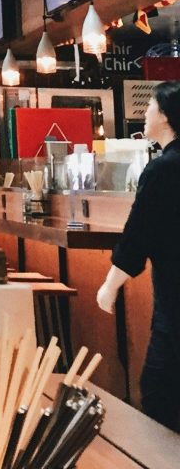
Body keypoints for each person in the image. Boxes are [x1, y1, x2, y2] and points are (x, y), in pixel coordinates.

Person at [97, 82, 180, 430]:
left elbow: (137, 238)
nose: (144, 113)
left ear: (163, 114)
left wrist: (109, 285)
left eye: (149, 107)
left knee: (159, 391)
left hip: (175, 303)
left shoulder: (163, 170)